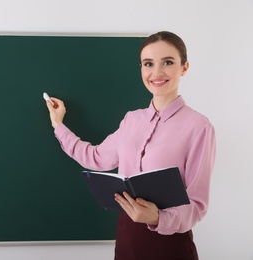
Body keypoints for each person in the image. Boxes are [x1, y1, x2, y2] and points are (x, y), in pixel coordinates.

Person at [45, 31, 216, 259]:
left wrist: (158, 218)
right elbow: (96, 157)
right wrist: (59, 126)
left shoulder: (199, 126)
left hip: (170, 244)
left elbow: (197, 205)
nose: (156, 72)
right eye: (148, 64)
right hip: (127, 238)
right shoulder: (131, 120)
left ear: (184, 68)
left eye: (167, 62)